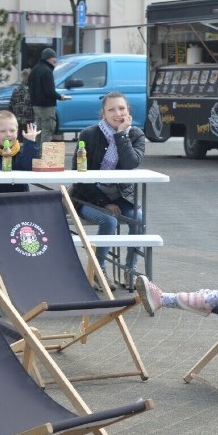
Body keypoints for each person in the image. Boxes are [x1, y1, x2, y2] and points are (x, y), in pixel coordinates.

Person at [70, 92, 144, 291]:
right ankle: (99, 270)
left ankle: (130, 271)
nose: (117, 113)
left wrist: (121, 134)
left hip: (121, 198)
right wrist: (103, 203)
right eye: (111, 109)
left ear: (128, 111)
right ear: (102, 113)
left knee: (138, 217)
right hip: (87, 197)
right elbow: (78, 175)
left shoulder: (135, 134)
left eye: (121, 108)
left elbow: (131, 163)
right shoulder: (89, 134)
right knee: (109, 220)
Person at [0, 110, 40, 193]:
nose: (8, 134)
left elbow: (29, 166)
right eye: (2, 131)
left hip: (20, 196)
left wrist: (30, 143)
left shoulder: (21, 150)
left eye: (12, 130)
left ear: (17, 131)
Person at [29, 48, 68, 147]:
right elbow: (49, 91)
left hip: (36, 106)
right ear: (50, 59)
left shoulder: (34, 70)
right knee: (47, 130)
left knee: (38, 131)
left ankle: (36, 153)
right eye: (54, 59)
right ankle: (44, 155)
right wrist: (60, 97)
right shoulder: (47, 71)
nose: (55, 62)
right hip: (46, 106)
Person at [9, 68, 34, 142]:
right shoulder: (31, 89)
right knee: (28, 136)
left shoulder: (16, 89)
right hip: (28, 117)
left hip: (17, 117)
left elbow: (11, 103)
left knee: (18, 136)